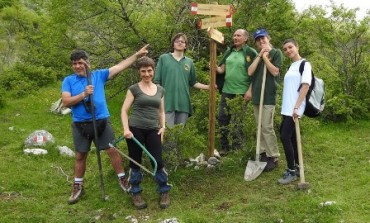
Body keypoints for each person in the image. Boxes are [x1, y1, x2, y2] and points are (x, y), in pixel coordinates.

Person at [61, 45, 149, 204]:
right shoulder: (68, 81)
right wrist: (83, 94)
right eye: (74, 63)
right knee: (81, 154)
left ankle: (123, 179)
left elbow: (120, 66)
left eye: (80, 63)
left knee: (112, 150)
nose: (77, 66)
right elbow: (66, 102)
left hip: (101, 120)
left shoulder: (98, 75)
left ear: (88, 63)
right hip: (80, 124)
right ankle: (78, 186)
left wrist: (137, 55)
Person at [121, 56, 171, 209]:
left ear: (153, 70)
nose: (147, 74)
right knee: (135, 161)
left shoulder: (160, 89)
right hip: (135, 128)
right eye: (143, 71)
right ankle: (135, 192)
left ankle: (164, 190)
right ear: (139, 72)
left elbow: (161, 111)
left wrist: (163, 127)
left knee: (157, 160)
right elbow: (124, 110)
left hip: (153, 129)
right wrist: (126, 129)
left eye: (149, 70)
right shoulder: (134, 89)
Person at [216, 29, 258, 156]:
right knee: (222, 117)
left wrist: (250, 90)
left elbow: (256, 74)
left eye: (238, 35)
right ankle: (224, 147)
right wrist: (214, 66)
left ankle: (237, 148)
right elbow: (221, 70)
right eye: (234, 35)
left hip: (242, 92)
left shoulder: (250, 52)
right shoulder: (229, 51)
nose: (235, 37)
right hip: (227, 90)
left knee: (237, 121)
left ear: (245, 38)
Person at [154, 33, 209, 127]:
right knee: (167, 135)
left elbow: (193, 82)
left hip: (183, 104)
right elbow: (157, 82)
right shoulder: (164, 58)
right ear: (173, 44)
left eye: (182, 41)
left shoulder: (189, 62)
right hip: (166, 103)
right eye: (177, 41)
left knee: (179, 135)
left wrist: (209, 87)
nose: (180, 43)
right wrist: (158, 101)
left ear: (185, 45)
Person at [247, 28, 283, 171]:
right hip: (257, 95)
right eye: (258, 40)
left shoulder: (276, 53)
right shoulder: (257, 55)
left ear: (269, 38)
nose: (261, 41)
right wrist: (259, 56)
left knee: (267, 127)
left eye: (263, 38)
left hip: (268, 95)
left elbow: (275, 71)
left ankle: (273, 155)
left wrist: (266, 58)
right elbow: (250, 72)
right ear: (256, 43)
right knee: (259, 126)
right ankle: (262, 153)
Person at [278, 38, 310, 184]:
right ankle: (296, 166)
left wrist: (296, 107)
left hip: (295, 108)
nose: (288, 51)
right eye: (285, 49)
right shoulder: (291, 66)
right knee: (289, 138)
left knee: (285, 137)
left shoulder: (305, 64)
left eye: (290, 47)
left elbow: (305, 86)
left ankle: (291, 170)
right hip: (287, 108)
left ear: (297, 46)